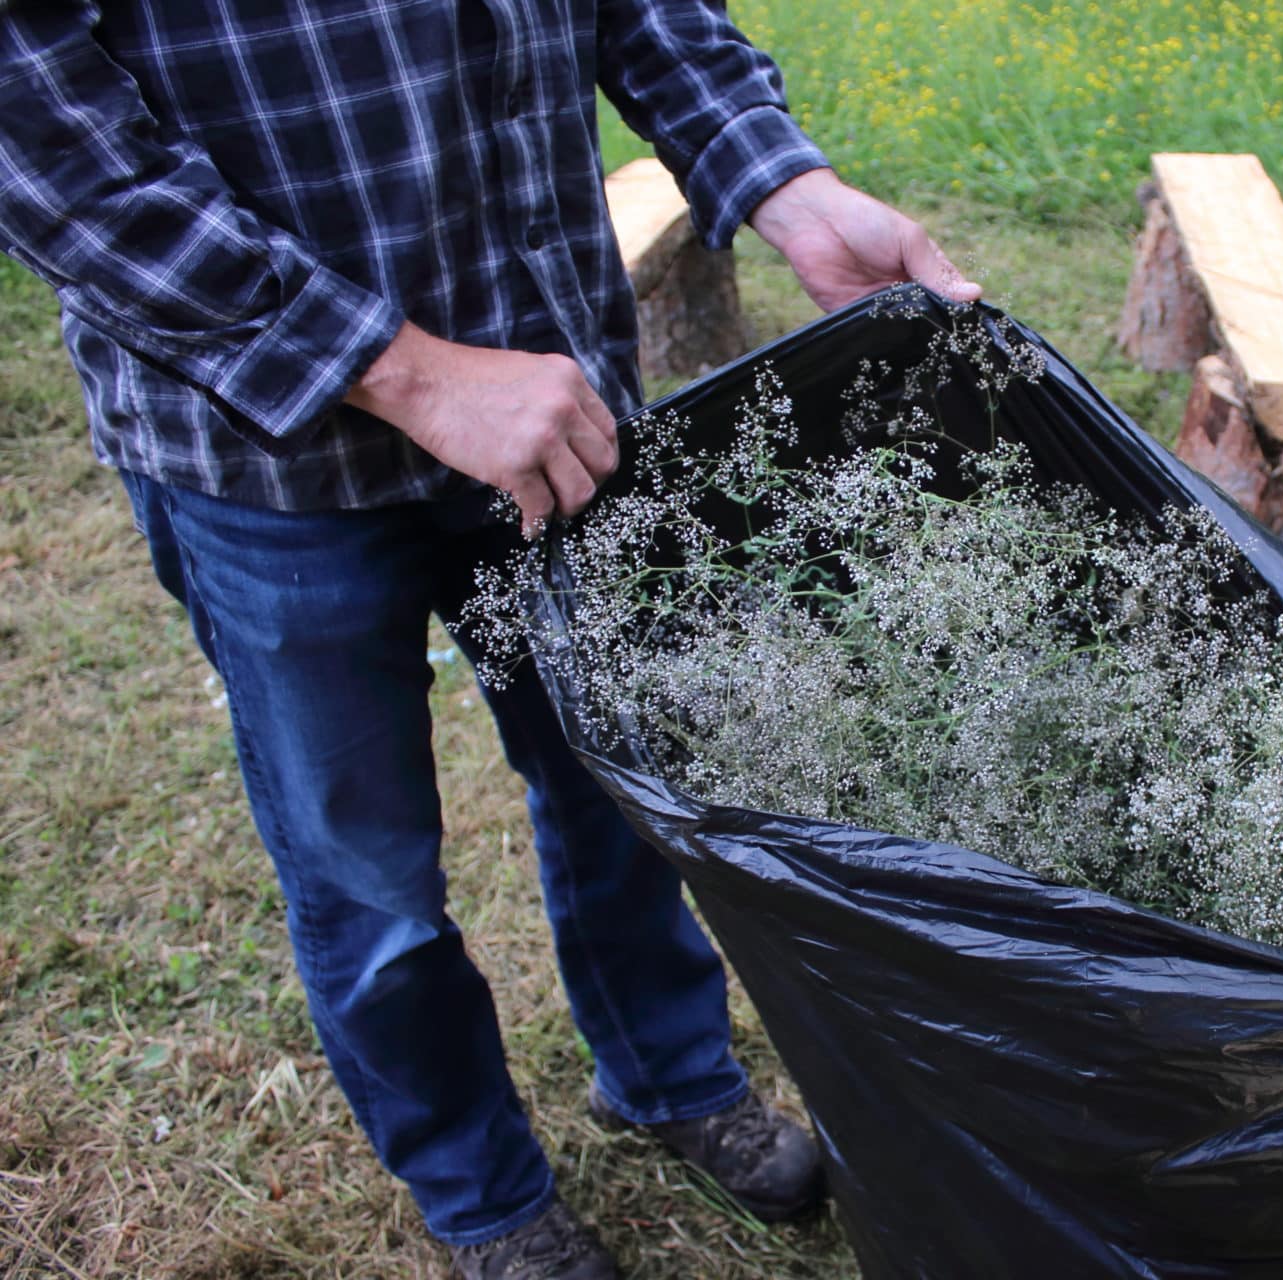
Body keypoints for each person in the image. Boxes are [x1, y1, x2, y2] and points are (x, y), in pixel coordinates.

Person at [0, 2, 981, 1276]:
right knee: (367, 876)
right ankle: (481, 1193)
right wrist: (406, 370)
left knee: (618, 786)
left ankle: (669, 1073)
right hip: (266, 459)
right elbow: (59, 162)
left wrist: (781, 179)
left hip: (552, 404)